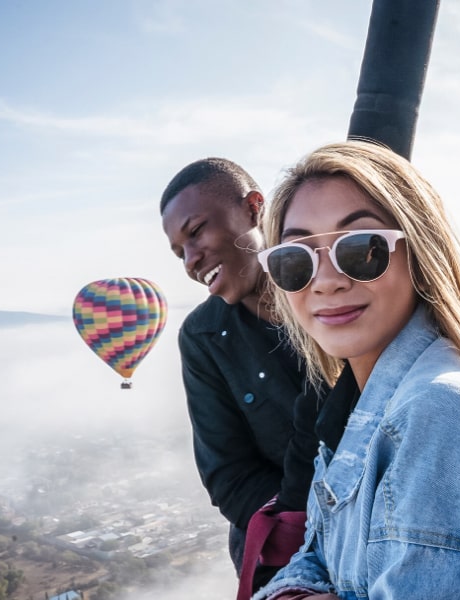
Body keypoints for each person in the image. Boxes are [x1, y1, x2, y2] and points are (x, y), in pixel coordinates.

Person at [251, 140, 460, 599]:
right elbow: (318, 552)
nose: (327, 281)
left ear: (420, 252)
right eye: (295, 260)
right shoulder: (360, 403)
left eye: (363, 249)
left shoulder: (435, 413)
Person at [159, 158, 325, 592]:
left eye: (196, 232)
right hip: (284, 550)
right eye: (179, 252)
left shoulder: (334, 290)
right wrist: (305, 522)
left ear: (254, 207)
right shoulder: (202, 337)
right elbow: (228, 476)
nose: (191, 261)